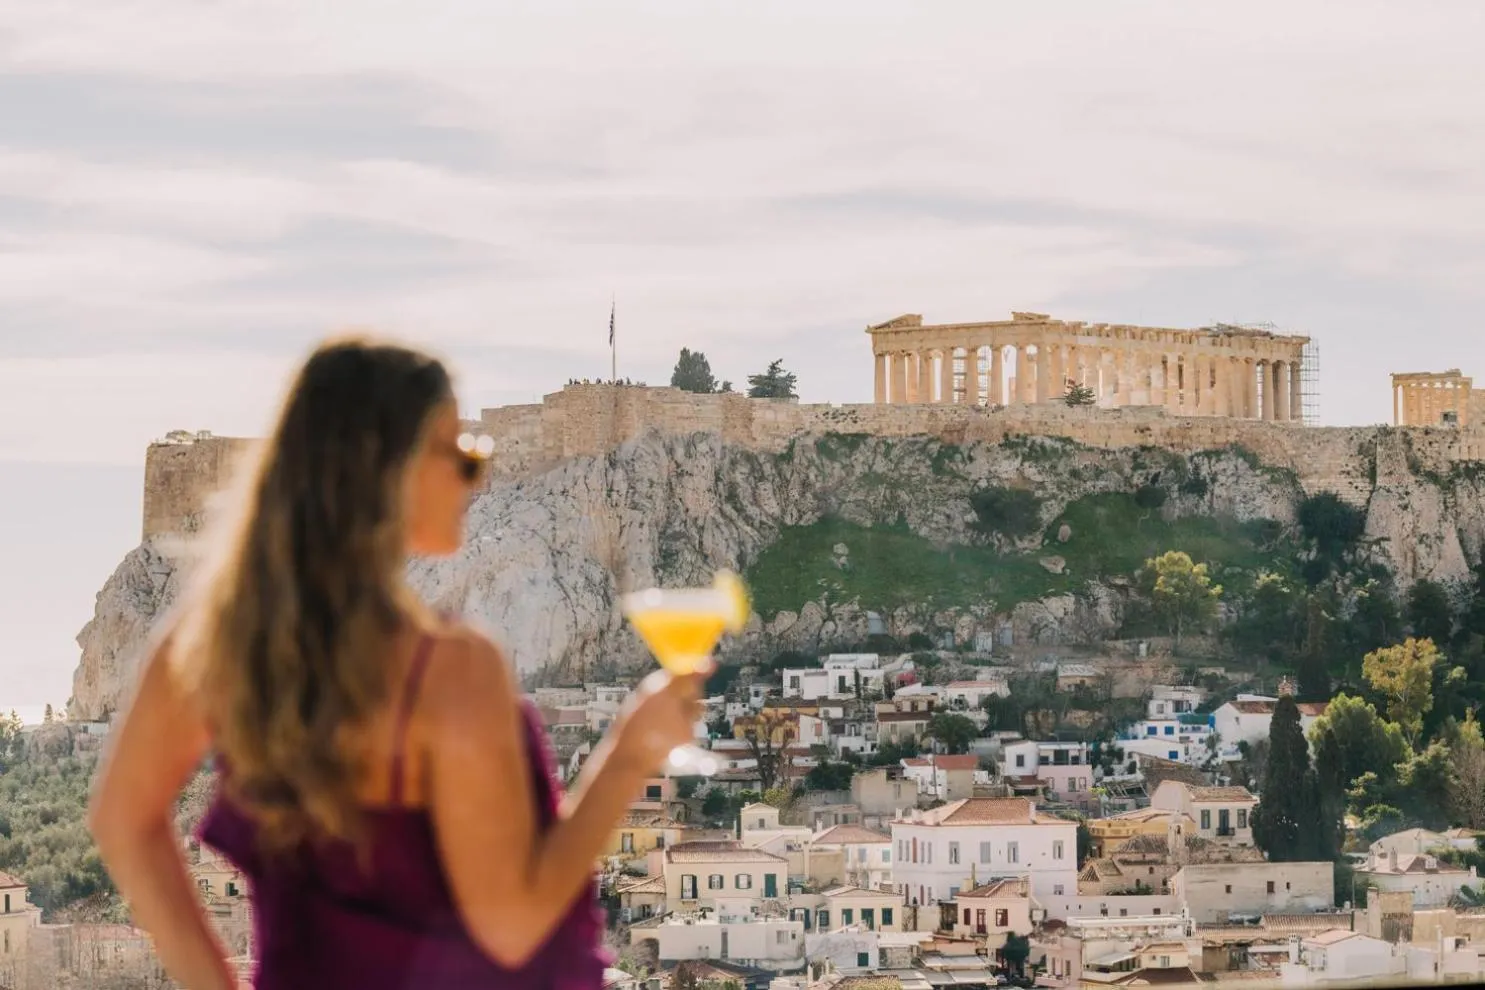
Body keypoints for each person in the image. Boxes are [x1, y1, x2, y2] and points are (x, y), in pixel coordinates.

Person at [89, 337, 705, 989]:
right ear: (390, 469)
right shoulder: (450, 668)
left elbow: (122, 821)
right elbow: (512, 925)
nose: (478, 475)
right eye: (461, 451)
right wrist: (628, 757)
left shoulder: (216, 642)